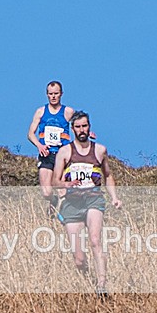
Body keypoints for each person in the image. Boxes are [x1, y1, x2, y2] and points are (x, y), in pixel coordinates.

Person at [52, 111, 122, 297]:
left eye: (85, 126)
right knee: (79, 260)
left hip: (93, 199)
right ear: (73, 129)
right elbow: (54, 180)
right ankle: (89, 281)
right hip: (72, 203)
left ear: (89, 127)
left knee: (95, 240)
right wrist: (65, 184)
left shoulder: (100, 150)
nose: (82, 130)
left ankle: (101, 285)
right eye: (78, 127)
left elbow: (108, 176)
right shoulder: (65, 152)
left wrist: (114, 197)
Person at [27, 81, 74, 216]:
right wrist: (39, 145)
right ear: (47, 95)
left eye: (56, 94)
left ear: (61, 94)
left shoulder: (68, 111)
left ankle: (61, 220)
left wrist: (87, 134)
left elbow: (79, 125)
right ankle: (52, 201)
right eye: (51, 94)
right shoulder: (41, 112)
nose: (53, 96)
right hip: (46, 154)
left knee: (62, 191)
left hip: (62, 156)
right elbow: (30, 133)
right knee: (46, 192)